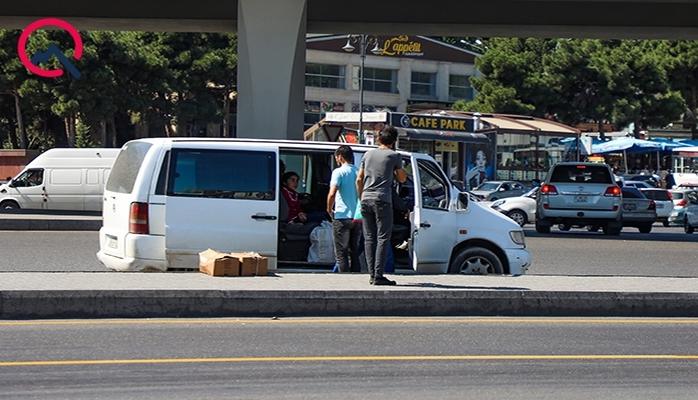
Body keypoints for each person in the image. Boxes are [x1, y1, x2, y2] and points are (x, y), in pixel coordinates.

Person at [356, 125, 407, 286]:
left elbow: (359, 179)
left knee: (369, 238)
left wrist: (361, 196)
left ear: (379, 138)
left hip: (365, 199)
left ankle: (371, 274)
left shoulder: (368, 154)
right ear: (394, 140)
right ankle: (378, 275)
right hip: (382, 200)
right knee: (383, 237)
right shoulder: (394, 155)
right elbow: (402, 179)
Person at [327, 145, 360, 273]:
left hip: (341, 216)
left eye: (336, 157)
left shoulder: (338, 172)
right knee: (354, 252)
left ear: (340, 157)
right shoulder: (358, 172)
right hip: (357, 217)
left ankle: (345, 279)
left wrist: (329, 209)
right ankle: (356, 277)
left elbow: (332, 193)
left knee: (341, 253)